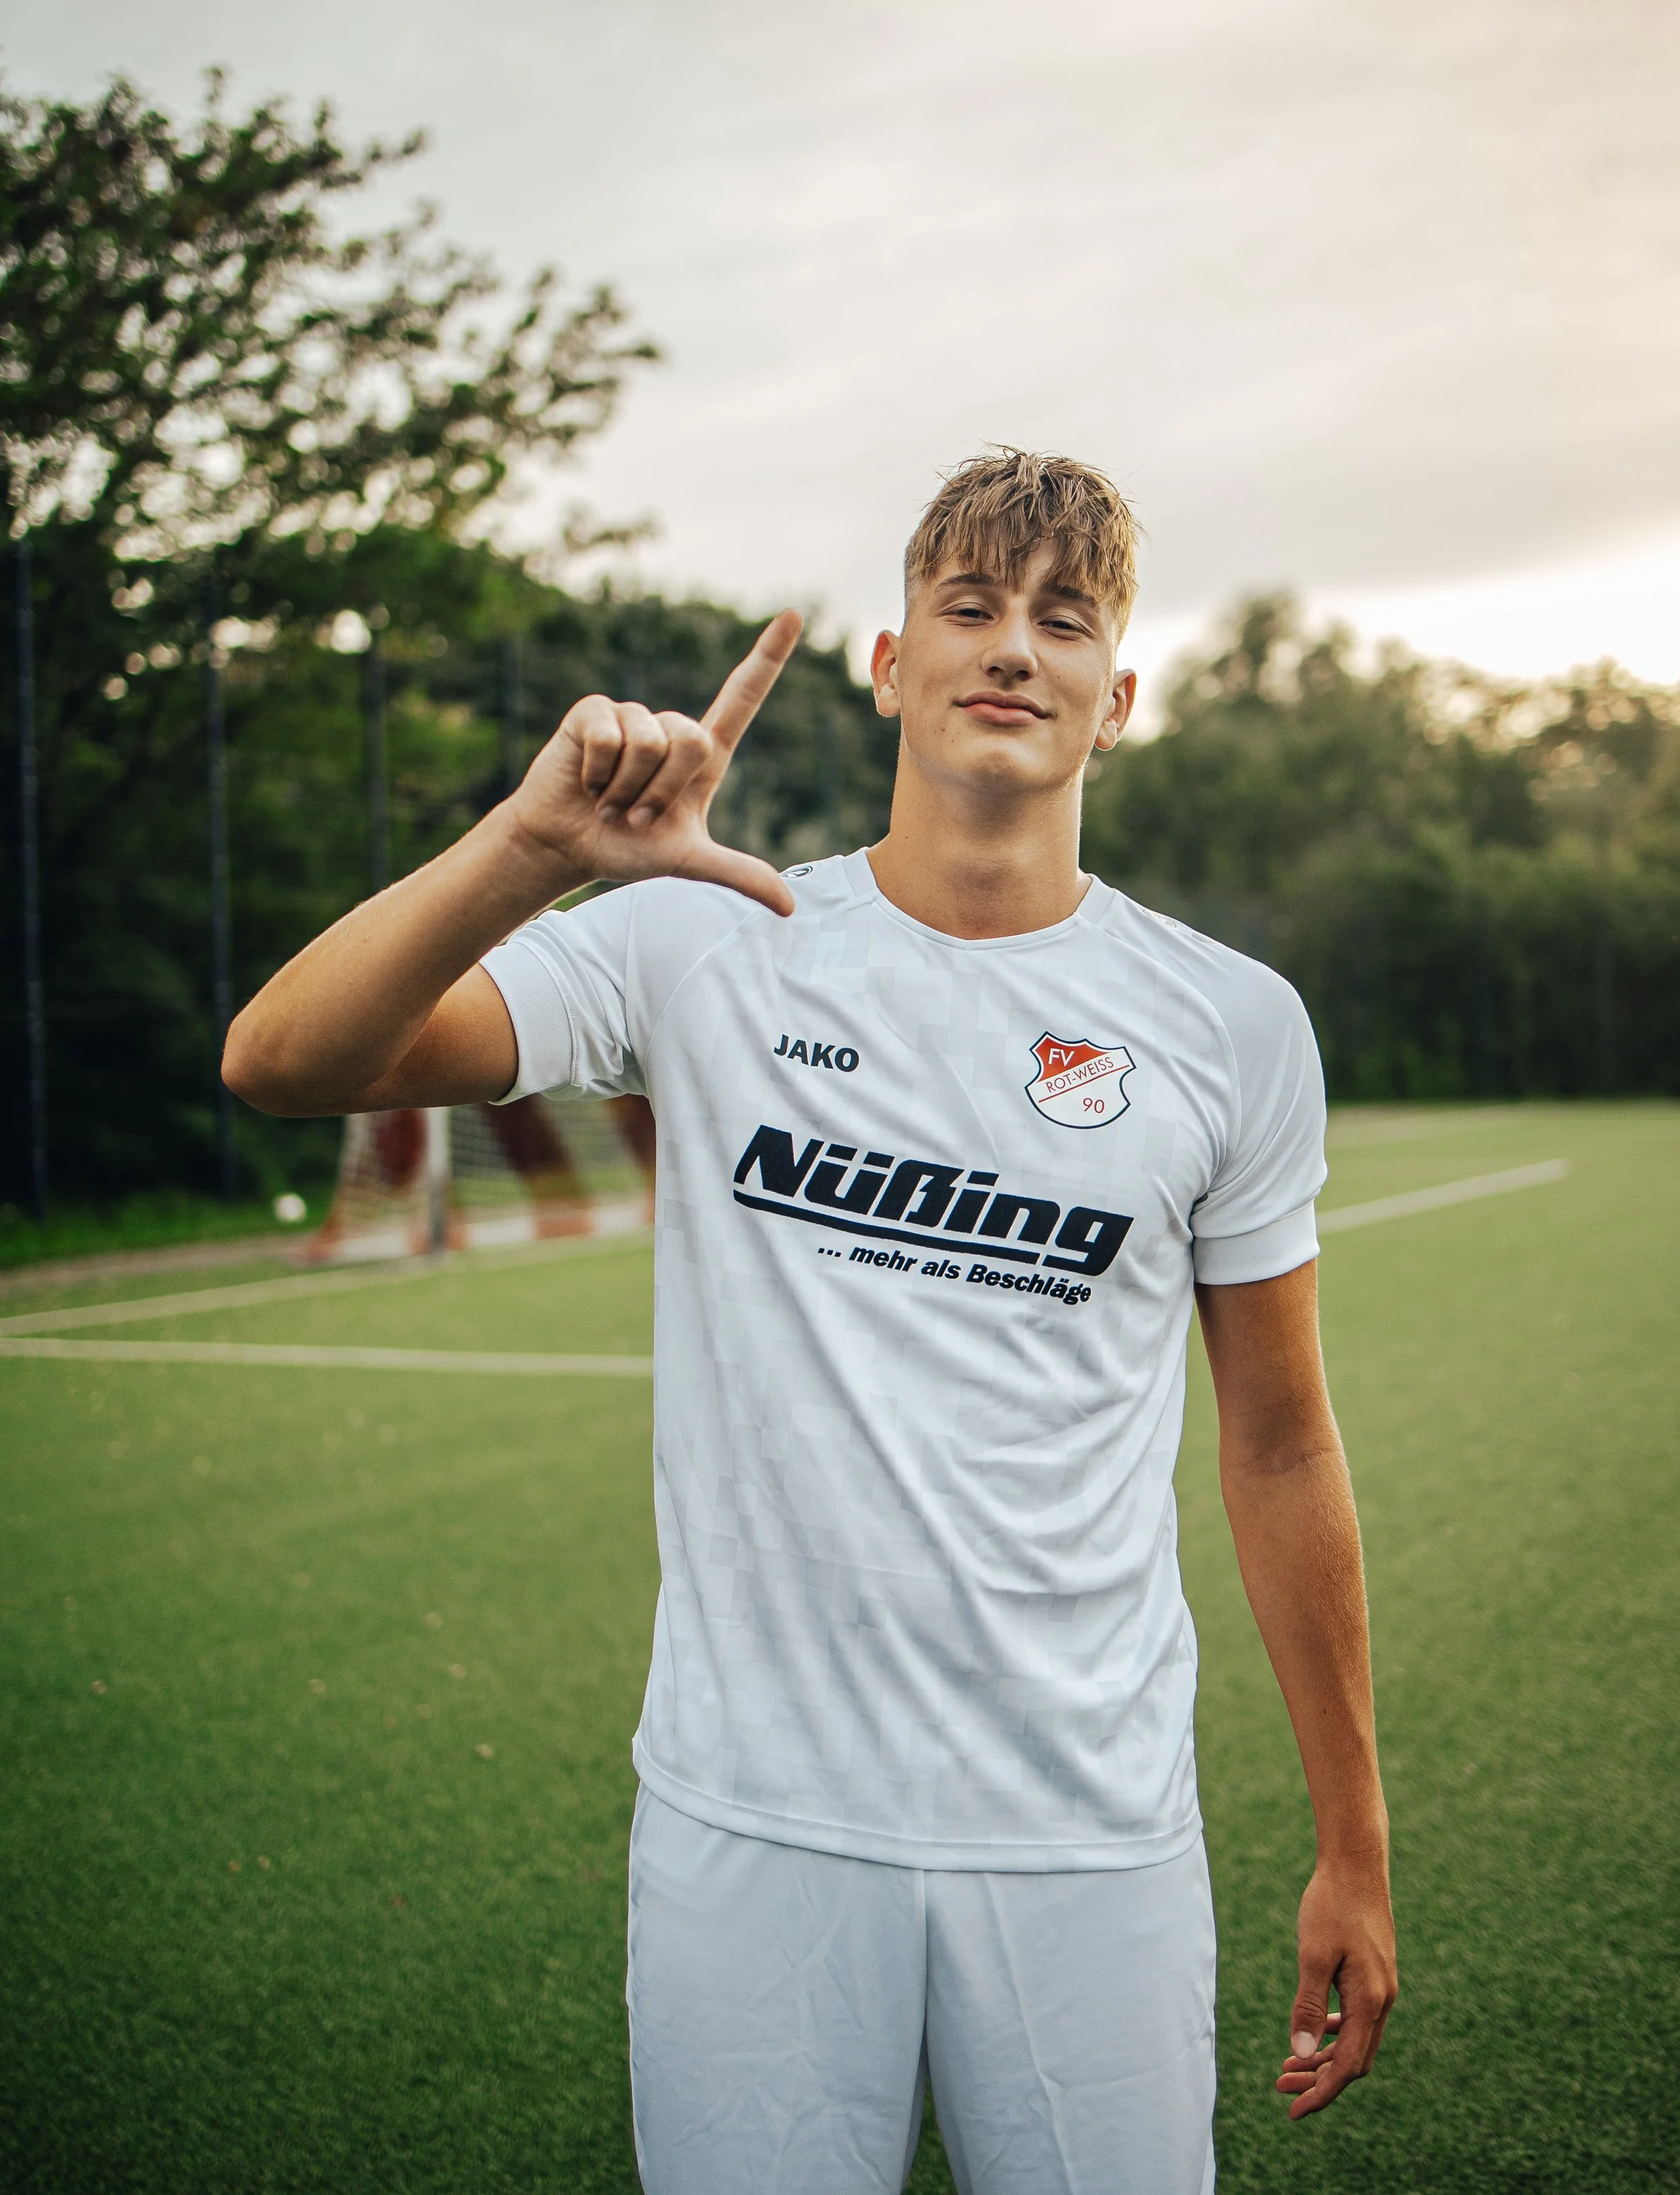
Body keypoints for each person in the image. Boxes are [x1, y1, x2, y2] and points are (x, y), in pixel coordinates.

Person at [225, 450, 1396, 2194]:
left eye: (1060, 618)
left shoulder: (1230, 1023)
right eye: (971, 606)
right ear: (887, 662)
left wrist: (1353, 1840)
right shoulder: (703, 940)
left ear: (1116, 694)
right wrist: (530, 848)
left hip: (1085, 1834)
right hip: (751, 1825)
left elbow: (1280, 1438)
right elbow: (287, 1059)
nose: (1013, 647)